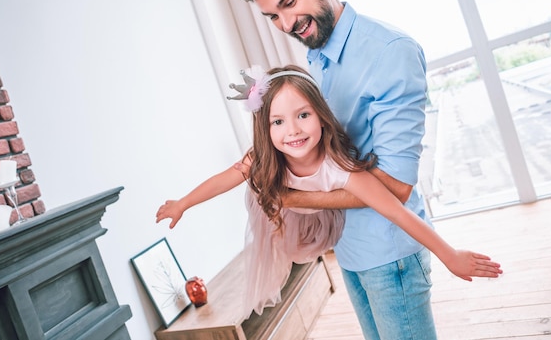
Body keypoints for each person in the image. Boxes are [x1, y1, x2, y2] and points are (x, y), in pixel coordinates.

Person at [156, 65, 502, 322]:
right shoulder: (262, 158)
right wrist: (183, 203)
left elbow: (397, 211)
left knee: (309, 232)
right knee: (272, 224)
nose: (292, 130)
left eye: (302, 115)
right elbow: (223, 179)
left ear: (321, 117)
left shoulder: (340, 169)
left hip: (320, 216)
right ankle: (277, 216)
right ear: (265, 127)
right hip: (277, 206)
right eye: (278, 121)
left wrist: (448, 253)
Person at [237, 0, 451, 339]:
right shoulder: (318, 49)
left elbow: (396, 186)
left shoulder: (390, 52)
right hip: (350, 249)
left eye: (288, 3)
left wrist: (291, 198)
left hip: (391, 255)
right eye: (273, 17)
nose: (286, 25)